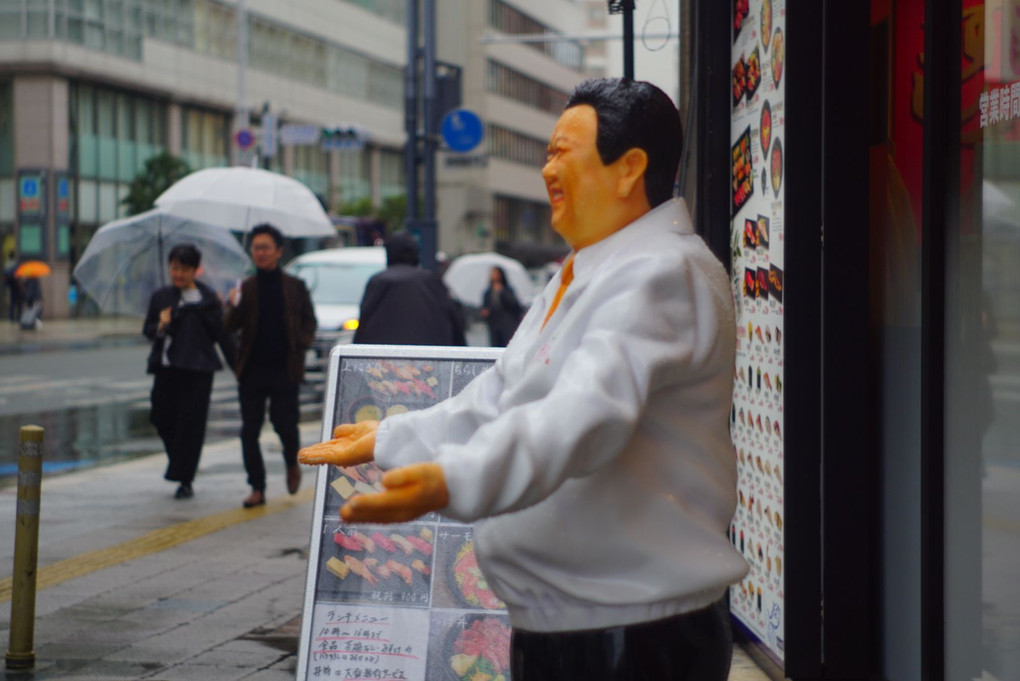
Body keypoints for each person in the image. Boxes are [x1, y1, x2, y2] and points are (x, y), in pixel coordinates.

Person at [299, 78, 748, 680]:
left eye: (562, 151)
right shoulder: (589, 268)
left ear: (628, 169)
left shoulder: (660, 273)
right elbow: (501, 395)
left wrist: (455, 479)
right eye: (547, 154)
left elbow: (583, 416)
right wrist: (389, 440)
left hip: (632, 632)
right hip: (572, 623)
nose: (547, 171)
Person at [225, 223, 316, 508]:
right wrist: (233, 304)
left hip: (284, 370)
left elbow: (309, 321)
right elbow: (229, 325)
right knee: (249, 431)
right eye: (256, 248)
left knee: (285, 425)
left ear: (278, 251)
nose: (260, 253)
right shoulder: (245, 287)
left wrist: (301, 343)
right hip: (252, 370)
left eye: (265, 248)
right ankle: (257, 487)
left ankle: (292, 463)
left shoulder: (294, 286)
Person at [143, 244, 237, 499]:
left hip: (198, 371)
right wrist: (161, 324)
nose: (178, 274)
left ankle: (185, 478)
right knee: (160, 417)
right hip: (167, 369)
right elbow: (149, 330)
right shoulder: (162, 297)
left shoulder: (208, 300)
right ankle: (179, 462)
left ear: (196, 270)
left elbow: (223, 336)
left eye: (184, 269)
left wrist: (239, 368)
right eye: (174, 268)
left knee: (191, 426)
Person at [352, 231, 467, 346]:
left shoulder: (378, 282)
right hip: (428, 357)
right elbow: (455, 322)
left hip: (385, 359)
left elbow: (364, 324)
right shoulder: (432, 282)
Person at [480, 265, 523, 347]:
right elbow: (486, 306)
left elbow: (514, 305)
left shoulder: (507, 290)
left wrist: (502, 292)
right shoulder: (488, 292)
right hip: (494, 324)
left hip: (507, 323)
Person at [3, 251, 22, 323]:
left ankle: (11, 318)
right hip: (16, 289)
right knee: (17, 304)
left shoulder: (7, 264)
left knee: (12, 303)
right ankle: (18, 317)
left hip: (11, 288)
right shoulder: (15, 266)